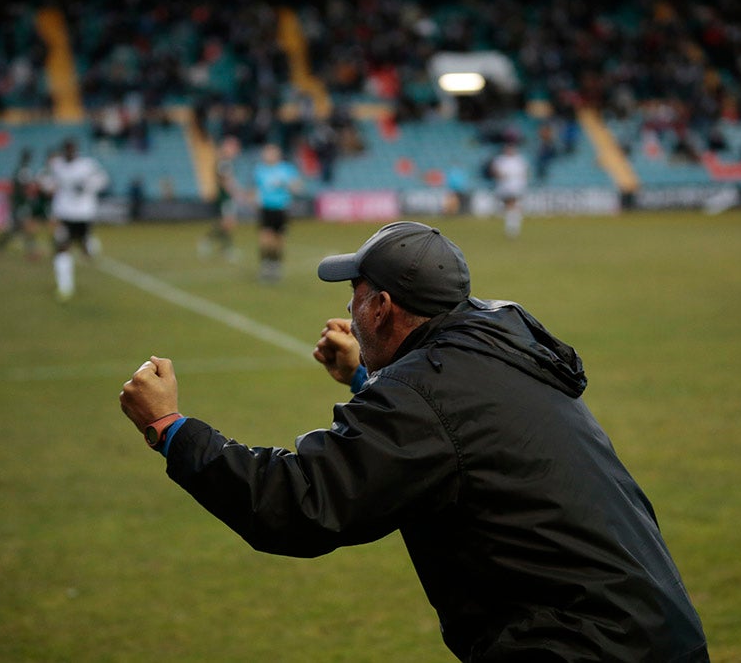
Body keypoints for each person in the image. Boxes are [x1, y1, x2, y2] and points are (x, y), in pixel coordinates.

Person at [119, 221, 709, 662]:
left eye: (354, 292)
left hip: (584, 647)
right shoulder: (496, 346)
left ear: (381, 307)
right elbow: (448, 430)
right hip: (647, 631)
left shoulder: (426, 394)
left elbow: (300, 504)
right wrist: (366, 377)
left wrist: (170, 428)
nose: (346, 305)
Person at [40, 138, 109, 301]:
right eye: (67, 149)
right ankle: (65, 288)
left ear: (76, 150)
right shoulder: (56, 165)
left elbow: (103, 180)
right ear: (64, 150)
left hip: (84, 214)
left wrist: (87, 186)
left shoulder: (87, 165)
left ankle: (89, 244)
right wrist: (49, 188)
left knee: (85, 248)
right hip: (64, 215)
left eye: (72, 149)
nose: (70, 152)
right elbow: (44, 180)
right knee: (62, 248)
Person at [250, 143, 302, 282]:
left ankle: (276, 265)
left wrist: (285, 183)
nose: (269, 156)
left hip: (281, 208)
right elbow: (255, 189)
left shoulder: (286, 169)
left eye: (272, 153)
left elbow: (297, 187)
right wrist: (254, 201)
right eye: (267, 153)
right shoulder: (259, 170)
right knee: (265, 238)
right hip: (266, 208)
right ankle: (265, 265)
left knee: (279, 240)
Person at [199, 136, 242, 262]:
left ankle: (221, 247)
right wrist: (235, 192)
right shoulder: (224, 162)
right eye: (233, 148)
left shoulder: (225, 161)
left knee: (228, 223)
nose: (235, 151)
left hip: (226, 196)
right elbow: (224, 181)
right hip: (225, 197)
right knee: (228, 223)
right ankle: (212, 243)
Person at [0, 147, 42, 259]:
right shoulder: (24, 171)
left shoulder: (21, 170)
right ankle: (32, 252)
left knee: (16, 228)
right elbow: (24, 188)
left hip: (19, 203)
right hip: (20, 204)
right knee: (26, 227)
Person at [491, 139, 529, 238]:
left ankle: (512, 228)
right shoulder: (500, 160)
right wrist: (502, 176)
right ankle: (512, 227)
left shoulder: (519, 160)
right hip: (504, 187)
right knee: (510, 207)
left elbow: (525, 173)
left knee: (512, 206)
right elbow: (495, 172)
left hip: (516, 187)